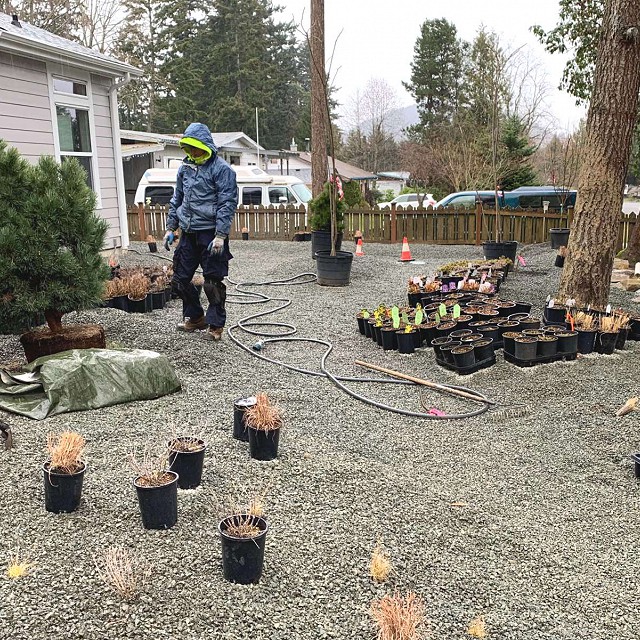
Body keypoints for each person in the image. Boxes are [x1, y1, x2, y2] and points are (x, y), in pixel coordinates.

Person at [163, 123, 237, 341]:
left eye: (196, 148)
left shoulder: (222, 170)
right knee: (179, 280)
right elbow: (178, 199)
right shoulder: (185, 169)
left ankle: (215, 325)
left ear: (206, 147)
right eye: (189, 148)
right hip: (188, 232)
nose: (193, 152)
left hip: (211, 234)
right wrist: (171, 227)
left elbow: (227, 203)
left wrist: (221, 235)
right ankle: (196, 317)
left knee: (211, 282)